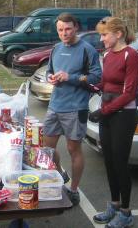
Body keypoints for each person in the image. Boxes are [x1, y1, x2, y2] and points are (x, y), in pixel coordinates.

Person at [43, 13, 102, 206]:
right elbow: (48, 71)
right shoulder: (56, 48)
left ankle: (74, 189)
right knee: (47, 149)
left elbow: (96, 78)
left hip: (76, 108)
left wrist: (71, 77)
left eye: (67, 29)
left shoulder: (87, 50)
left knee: (72, 149)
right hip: (55, 105)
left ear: (76, 27)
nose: (64, 33)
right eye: (60, 29)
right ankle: (60, 173)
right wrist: (50, 78)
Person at [90, 17, 138, 228]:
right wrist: (85, 83)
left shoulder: (132, 55)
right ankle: (114, 205)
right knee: (109, 162)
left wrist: (103, 111)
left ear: (118, 34)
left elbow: (129, 93)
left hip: (123, 116)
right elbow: (105, 84)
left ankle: (126, 213)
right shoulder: (108, 55)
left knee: (120, 164)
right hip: (108, 114)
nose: (101, 39)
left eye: (104, 34)